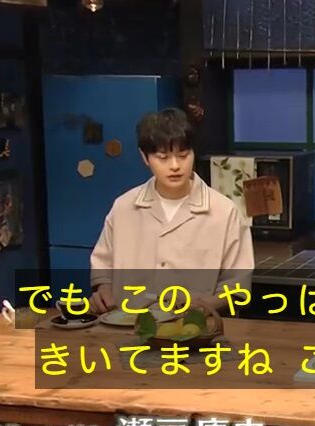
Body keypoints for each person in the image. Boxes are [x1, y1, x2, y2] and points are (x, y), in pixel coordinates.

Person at [89, 107, 254, 314]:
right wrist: (103, 290)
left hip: (194, 327)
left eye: (183, 155)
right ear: (145, 157)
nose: (175, 166)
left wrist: (207, 305)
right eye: (163, 157)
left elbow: (237, 285)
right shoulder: (124, 207)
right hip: (127, 323)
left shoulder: (224, 211)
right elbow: (103, 265)